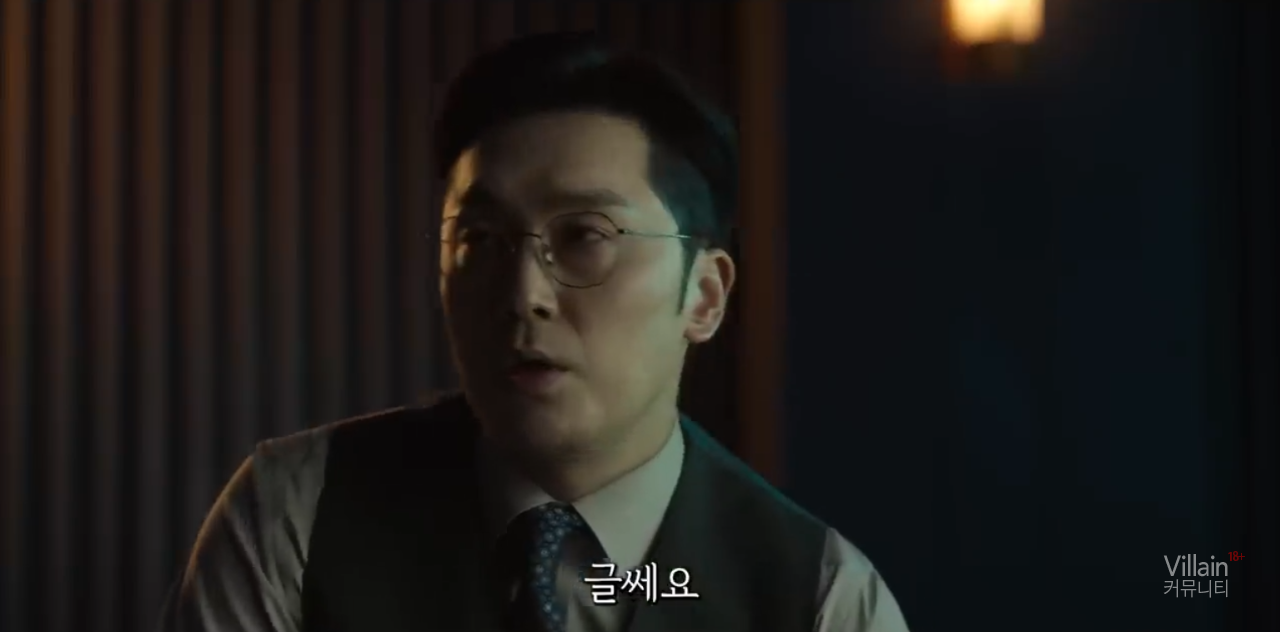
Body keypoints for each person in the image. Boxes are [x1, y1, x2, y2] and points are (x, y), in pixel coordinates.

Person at [158, 31, 910, 632]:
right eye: (480, 241)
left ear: (704, 297)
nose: (522, 295)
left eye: (584, 236)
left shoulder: (820, 600)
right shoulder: (299, 516)